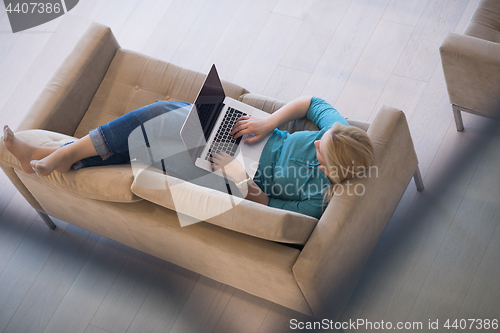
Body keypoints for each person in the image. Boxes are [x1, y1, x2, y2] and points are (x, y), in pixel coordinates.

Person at [2, 96, 374, 219]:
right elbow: (314, 103)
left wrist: (236, 175)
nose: (313, 143)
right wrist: (269, 122)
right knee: (170, 117)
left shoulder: (317, 201)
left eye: (318, 151)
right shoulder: (340, 135)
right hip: (247, 137)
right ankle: (63, 156)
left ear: (331, 170)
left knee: (166, 122)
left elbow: (268, 205)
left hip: (235, 176)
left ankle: (61, 154)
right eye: (319, 139)